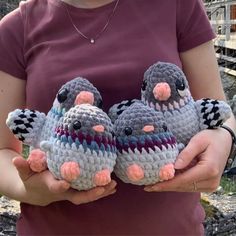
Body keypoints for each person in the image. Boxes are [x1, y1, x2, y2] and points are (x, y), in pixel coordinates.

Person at [0, 0, 235, 235]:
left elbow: (218, 112)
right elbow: (2, 152)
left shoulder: (178, 6)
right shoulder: (16, 28)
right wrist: (31, 189)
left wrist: (224, 139)